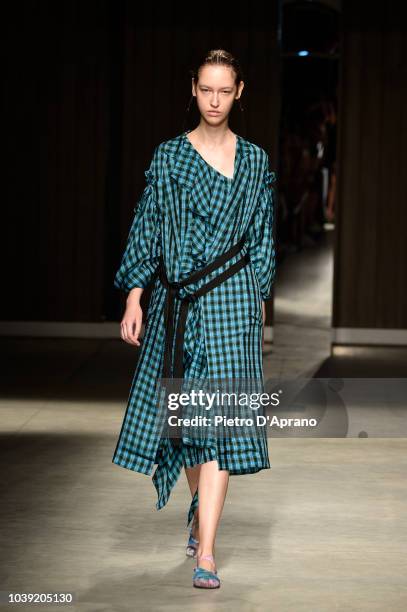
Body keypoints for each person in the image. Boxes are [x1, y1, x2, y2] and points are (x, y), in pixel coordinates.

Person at [112, 49, 276, 589]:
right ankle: (197, 514)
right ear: (193, 89)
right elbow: (148, 226)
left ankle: (206, 551)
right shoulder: (168, 159)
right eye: (206, 89)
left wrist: (257, 302)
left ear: (239, 93)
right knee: (184, 426)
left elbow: (261, 239)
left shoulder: (254, 162)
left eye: (224, 91)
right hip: (178, 303)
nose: (213, 100)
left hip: (230, 301)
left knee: (221, 427)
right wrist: (134, 297)